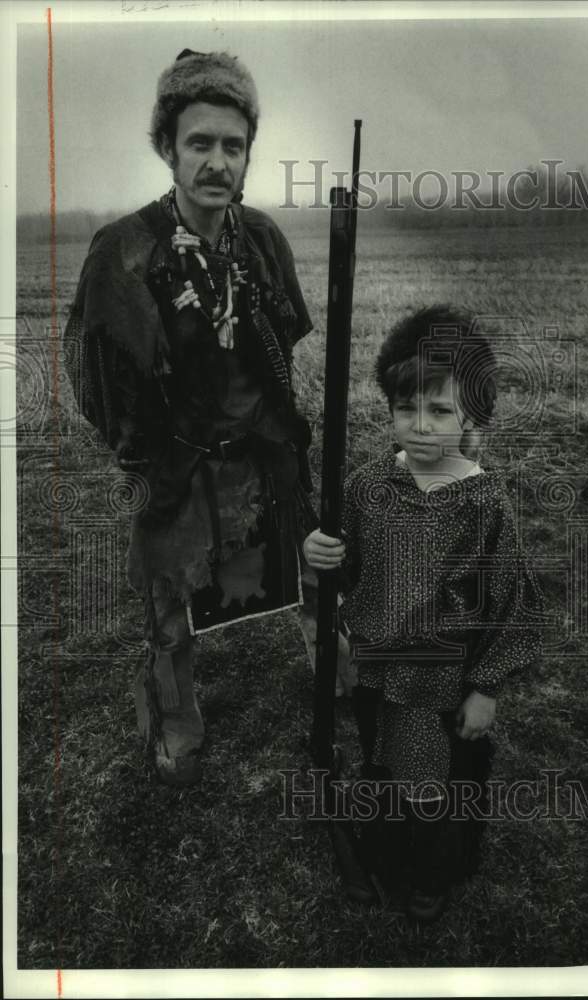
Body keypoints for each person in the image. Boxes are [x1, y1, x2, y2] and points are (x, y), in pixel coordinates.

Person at [64, 49, 344, 788]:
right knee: (168, 608)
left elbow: (281, 351)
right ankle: (176, 732)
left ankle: (339, 686)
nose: (217, 161)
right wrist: (151, 460)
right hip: (179, 464)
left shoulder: (260, 239)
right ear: (167, 147)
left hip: (263, 452)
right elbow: (99, 385)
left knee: (313, 569)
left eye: (233, 144)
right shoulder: (122, 253)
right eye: (200, 143)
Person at [303, 305, 544, 921]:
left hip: (443, 684)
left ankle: (434, 877)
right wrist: (319, 553)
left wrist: (486, 688)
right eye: (406, 409)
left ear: (470, 415)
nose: (421, 425)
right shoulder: (365, 487)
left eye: (440, 411)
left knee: (438, 788)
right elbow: (343, 571)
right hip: (378, 675)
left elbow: (509, 605)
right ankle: (389, 856)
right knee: (384, 773)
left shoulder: (483, 502)